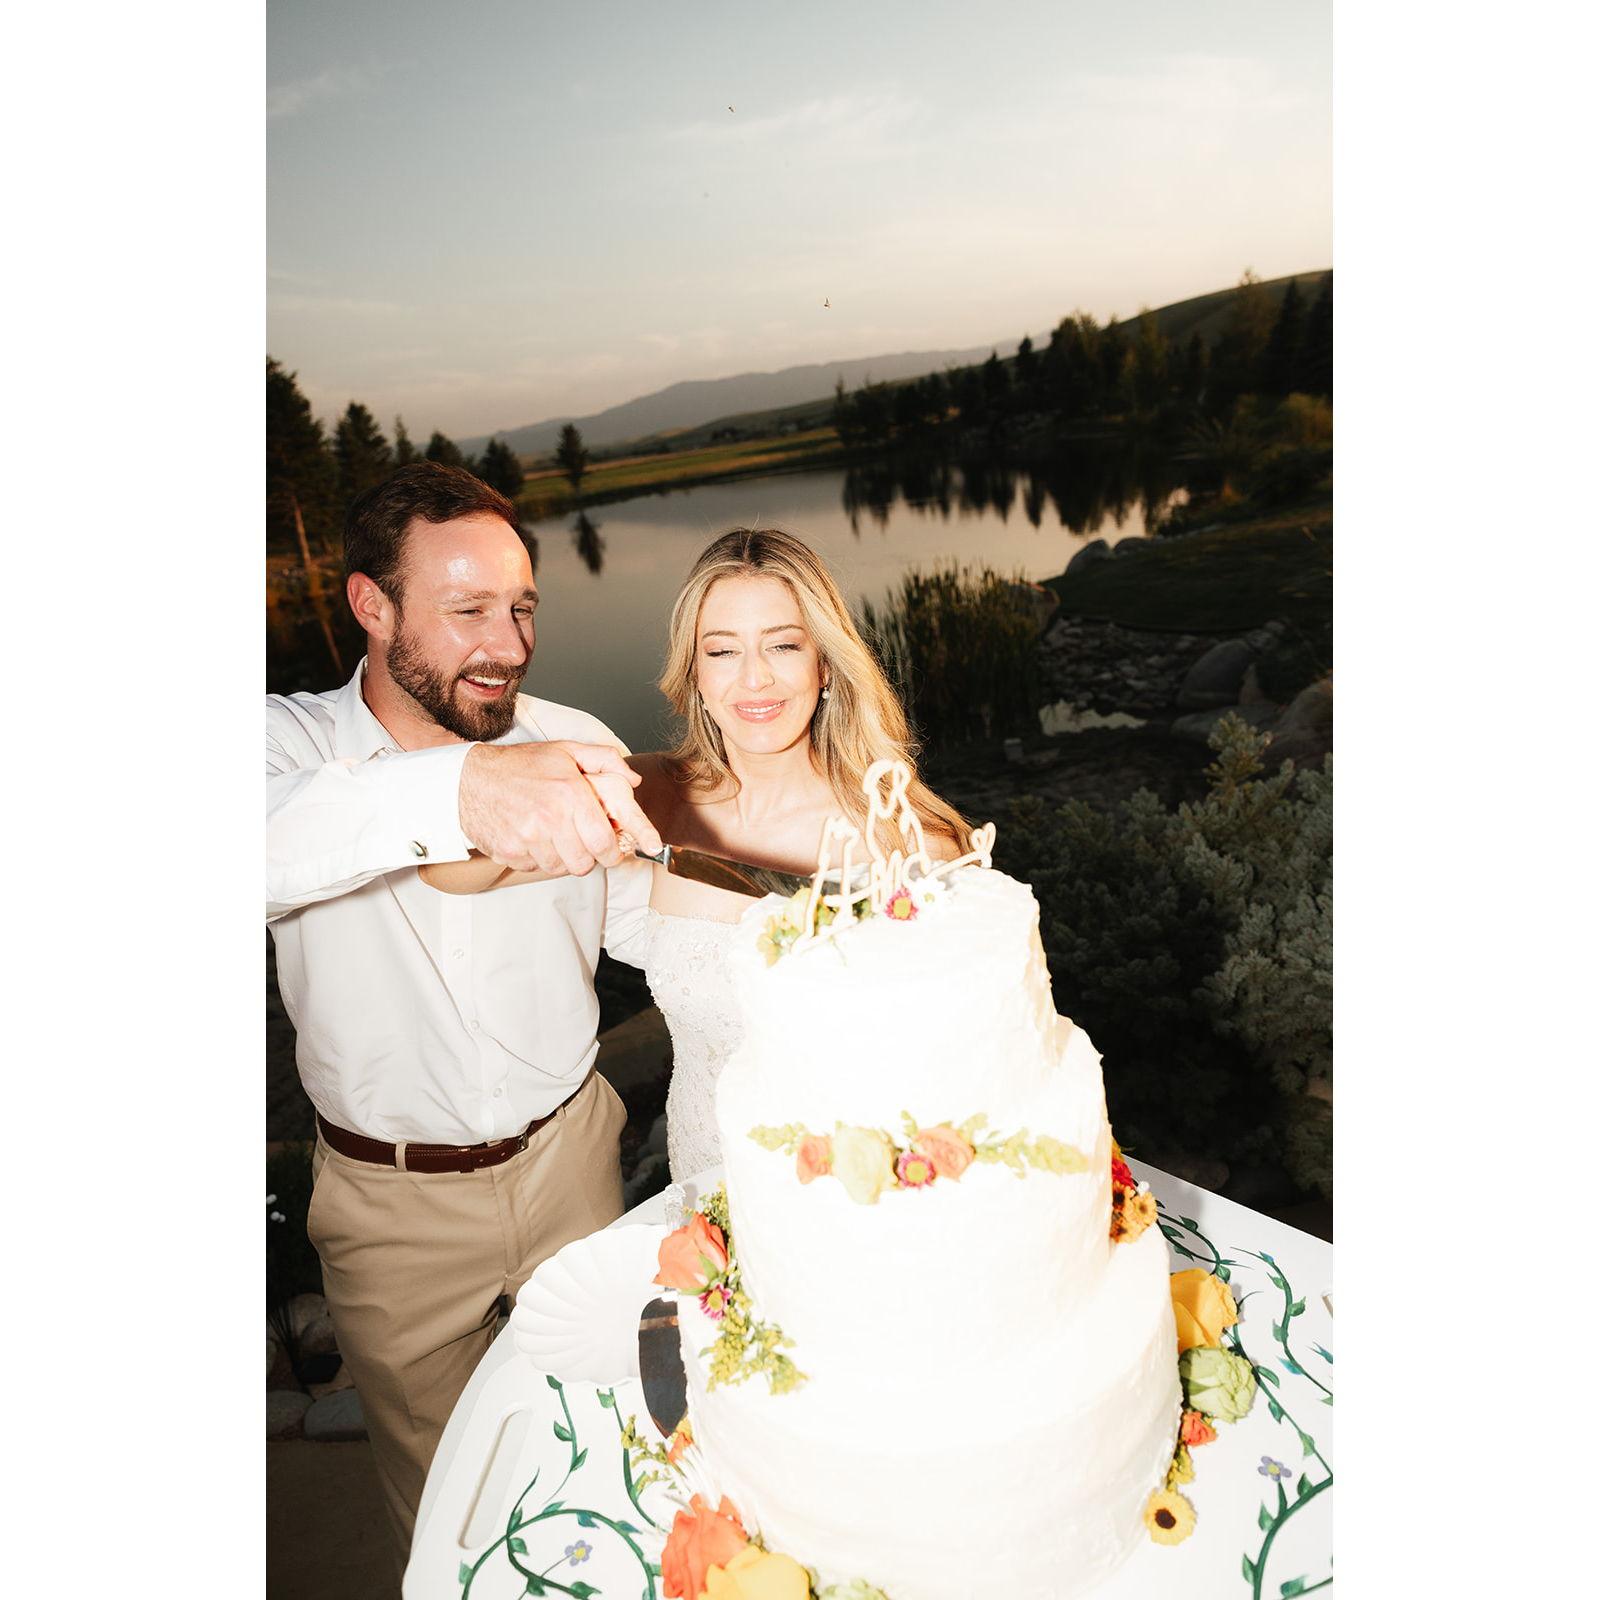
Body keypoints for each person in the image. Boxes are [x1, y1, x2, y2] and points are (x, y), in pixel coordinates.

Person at [266, 462, 662, 1578]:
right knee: (452, 1518)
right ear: (372, 605)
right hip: (390, 1210)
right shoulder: (285, 746)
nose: (509, 644)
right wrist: (464, 790)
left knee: (611, 1457)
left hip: (575, 1164)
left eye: (523, 606)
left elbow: (648, 918)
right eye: (469, 609)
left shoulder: (571, 736)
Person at [423, 527, 969, 1179]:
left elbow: (961, 1048)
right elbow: (445, 872)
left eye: (783, 645)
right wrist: (562, 798)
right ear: (696, 673)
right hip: (706, 1179)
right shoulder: (653, 796)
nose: (754, 678)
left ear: (824, 663)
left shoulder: (910, 841)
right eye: (723, 650)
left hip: (855, 1184)